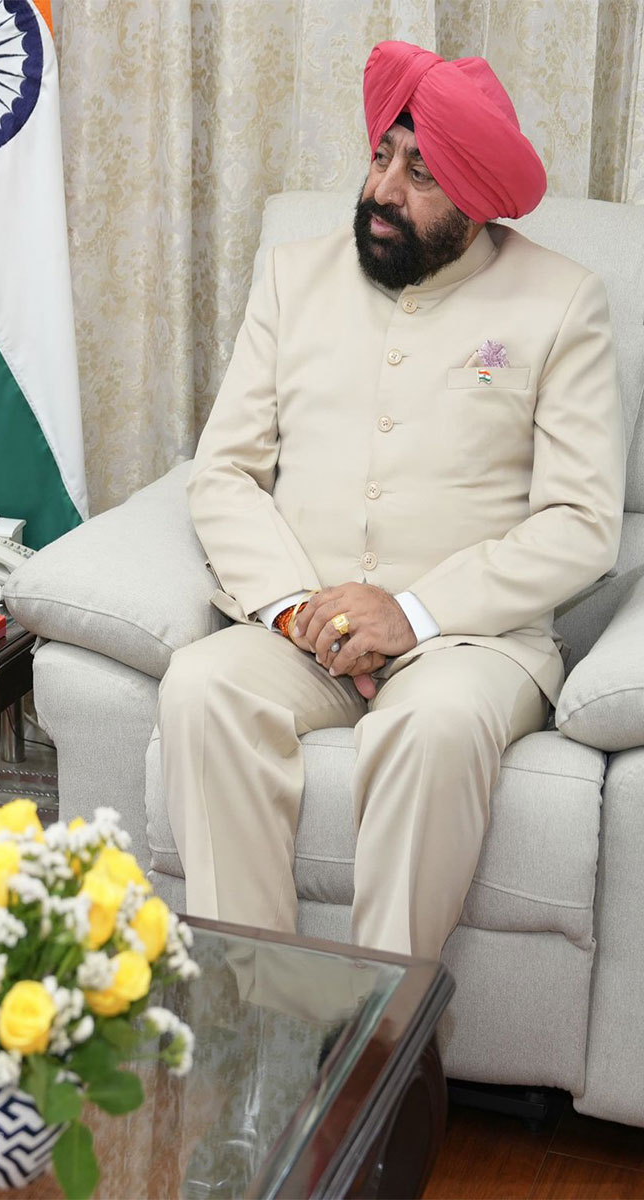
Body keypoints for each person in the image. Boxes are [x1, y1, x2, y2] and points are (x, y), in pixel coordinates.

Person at [157, 42, 624, 961]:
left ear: (475, 201)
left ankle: (379, 1046)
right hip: (305, 627)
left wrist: (410, 614)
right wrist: (296, 611)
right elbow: (223, 473)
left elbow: (582, 525)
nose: (383, 189)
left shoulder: (564, 304)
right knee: (202, 686)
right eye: (382, 156)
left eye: (420, 174)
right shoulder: (295, 275)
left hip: (468, 642)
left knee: (434, 728)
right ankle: (262, 1029)